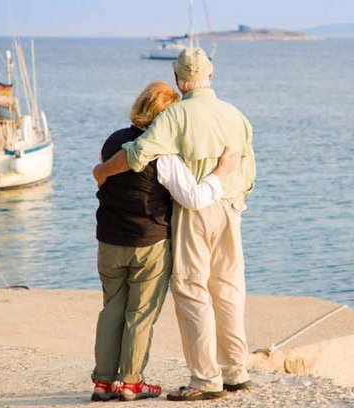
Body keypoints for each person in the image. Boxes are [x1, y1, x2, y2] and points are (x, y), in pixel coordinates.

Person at [93, 47, 256, 402]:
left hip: (196, 210)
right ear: (211, 76)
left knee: (192, 290)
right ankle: (236, 371)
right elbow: (249, 173)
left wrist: (103, 171)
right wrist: (236, 199)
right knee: (229, 288)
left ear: (179, 81)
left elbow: (139, 153)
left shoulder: (175, 116)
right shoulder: (236, 115)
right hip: (231, 207)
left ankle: (205, 379)